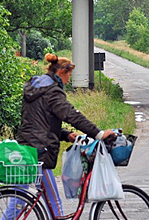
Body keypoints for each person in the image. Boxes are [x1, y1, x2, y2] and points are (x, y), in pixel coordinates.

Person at [13, 53, 115, 217]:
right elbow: (71, 115)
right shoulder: (52, 92)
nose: (69, 80)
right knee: (54, 202)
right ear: (61, 72)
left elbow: (38, 122)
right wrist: (99, 134)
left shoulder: (34, 88)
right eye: (69, 75)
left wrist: (65, 134)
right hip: (40, 152)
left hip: (26, 147)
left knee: (17, 201)